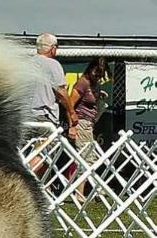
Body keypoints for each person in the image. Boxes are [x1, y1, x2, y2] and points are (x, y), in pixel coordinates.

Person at [29, 33, 78, 178]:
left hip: (25, 116)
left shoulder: (26, 63)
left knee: (28, 152)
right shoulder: (52, 64)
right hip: (44, 117)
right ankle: (26, 182)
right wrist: (71, 112)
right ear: (52, 48)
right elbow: (61, 92)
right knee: (44, 153)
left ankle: (37, 189)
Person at [70, 57, 109, 202]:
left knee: (90, 158)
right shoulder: (83, 83)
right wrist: (72, 126)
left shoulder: (93, 84)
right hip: (81, 123)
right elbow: (70, 104)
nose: (98, 76)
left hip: (89, 125)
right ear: (90, 68)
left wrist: (98, 95)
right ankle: (81, 194)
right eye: (96, 72)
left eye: (101, 74)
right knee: (87, 159)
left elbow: (89, 100)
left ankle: (94, 191)